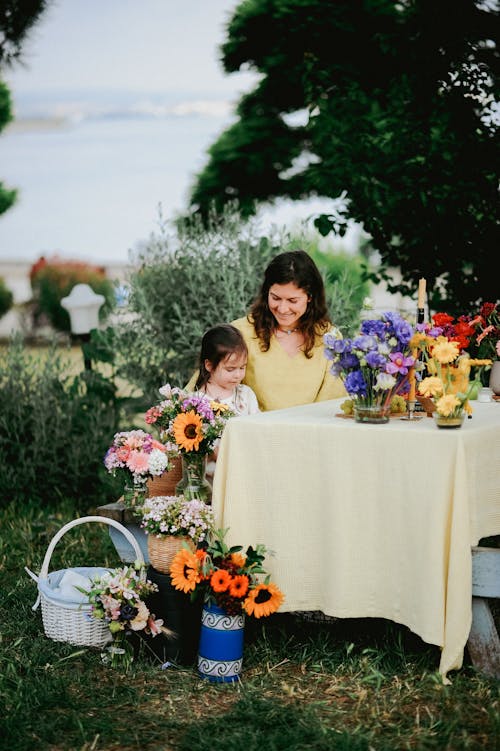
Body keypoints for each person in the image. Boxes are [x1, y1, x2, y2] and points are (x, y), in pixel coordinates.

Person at [231, 249, 346, 411]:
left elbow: (334, 403)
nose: (283, 309)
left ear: (310, 297)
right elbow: (205, 397)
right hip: (254, 434)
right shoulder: (240, 332)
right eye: (276, 298)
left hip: (312, 433)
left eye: (293, 300)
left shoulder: (329, 337)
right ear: (266, 293)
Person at [193, 323, 260, 416]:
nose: (238, 375)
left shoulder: (246, 395)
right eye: (230, 369)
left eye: (242, 367)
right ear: (209, 366)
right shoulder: (196, 401)